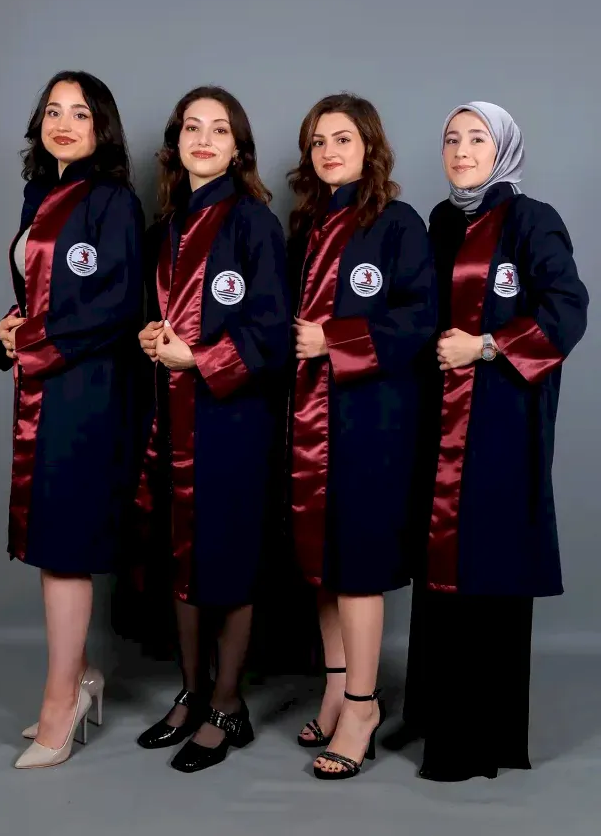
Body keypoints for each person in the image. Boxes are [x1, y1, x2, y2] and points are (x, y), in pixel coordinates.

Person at [393, 101, 589, 781]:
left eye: (478, 138)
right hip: (436, 422)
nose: (462, 150)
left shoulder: (532, 220)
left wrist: (484, 347)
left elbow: (566, 311)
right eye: (451, 139)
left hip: (501, 423)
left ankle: (479, 738)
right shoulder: (439, 222)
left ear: (503, 148)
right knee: (440, 568)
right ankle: (433, 715)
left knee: (489, 563)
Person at [133, 86, 290, 773]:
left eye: (219, 129)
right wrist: (152, 337)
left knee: (228, 556)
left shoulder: (253, 223)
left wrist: (198, 359)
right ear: (176, 143)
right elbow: (159, 321)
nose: (204, 139)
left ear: (237, 148)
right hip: (173, 418)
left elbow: (272, 333)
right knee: (182, 554)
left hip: (233, 420)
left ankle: (228, 705)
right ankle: (192, 692)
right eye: (192, 127)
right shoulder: (165, 228)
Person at [0, 71, 144, 769]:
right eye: (53, 111)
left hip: (88, 391)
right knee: (51, 537)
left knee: (64, 545)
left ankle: (62, 703)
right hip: (43, 389)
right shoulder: (39, 195)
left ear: (101, 127)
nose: (63, 123)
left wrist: (31, 339)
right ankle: (80, 675)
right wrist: (11, 328)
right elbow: (41, 294)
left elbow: (115, 307)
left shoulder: (112, 202)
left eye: (79, 113)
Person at [288, 93, 437, 780]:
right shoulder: (307, 228)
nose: (329, 152)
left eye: (342, 139)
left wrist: (334, 340)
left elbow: (419, 317)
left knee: (357, 565)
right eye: (318, 141)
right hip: (308, 419)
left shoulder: (396, 224)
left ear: (369, 146)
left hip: (370, 417)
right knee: (322, 562)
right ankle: (334, 685)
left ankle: (362, 705)